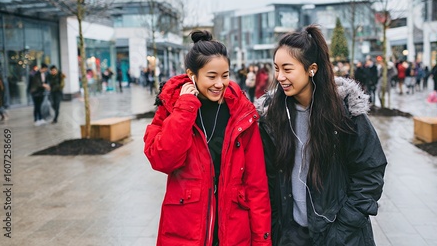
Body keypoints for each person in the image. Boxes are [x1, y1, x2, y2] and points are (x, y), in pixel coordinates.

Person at [256, 25, 387, 245]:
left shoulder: (344, 113)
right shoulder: (272, 117)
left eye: (287, 69)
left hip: (339, 236)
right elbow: (268, 179)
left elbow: (370, 171)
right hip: (292, 236)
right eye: (276, 68)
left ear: (311, 69)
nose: (279, 76)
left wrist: (344, 226)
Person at [143, 30, 272, 246]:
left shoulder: (241, 113)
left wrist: (262, 241)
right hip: (186, 230)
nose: (219, 84)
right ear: (192, 74)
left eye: (225, 75)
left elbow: (256, 185)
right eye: (211, 76)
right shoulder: (172, 107)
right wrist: (185, 109)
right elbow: (162, 159)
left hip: (233, 231)